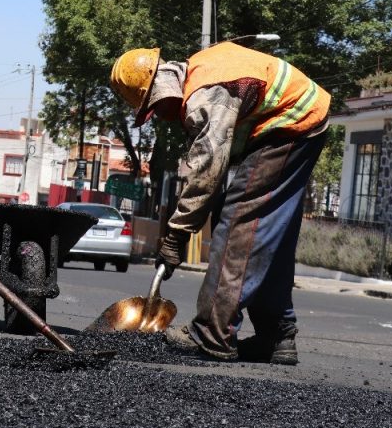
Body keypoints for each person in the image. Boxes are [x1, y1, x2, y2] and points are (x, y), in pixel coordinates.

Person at [110, 41, 330, 365]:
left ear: (162, 89)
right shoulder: (202, 74)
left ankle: (212, 333)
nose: (161, 118)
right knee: (269, 234)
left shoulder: (204, 94)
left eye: (155, 108)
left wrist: (176, 234)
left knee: (239, 225)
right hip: (302, 121)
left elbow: (207, 172)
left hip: (289, 124)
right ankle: (277, 336)